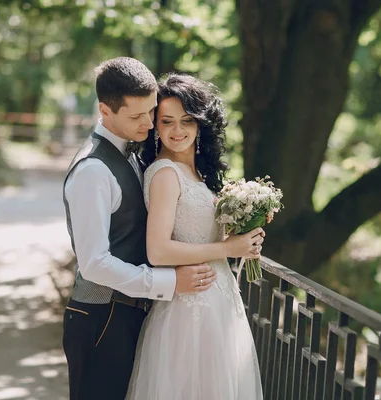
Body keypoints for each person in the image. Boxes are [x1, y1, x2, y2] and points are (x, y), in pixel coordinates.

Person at [62, 57, 219, 400]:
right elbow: (94, 263)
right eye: (136, 116)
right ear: (105, 110)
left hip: (133, 315)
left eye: (151, 112)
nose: (149, 124)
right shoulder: (93, 170)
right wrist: (170, 282)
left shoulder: (131, 154)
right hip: (101, 319)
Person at [126, 73, 265, 400]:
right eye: (167, 121)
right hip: (190, 308)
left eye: (187, 121)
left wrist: (244, 232)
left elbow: (196, 229)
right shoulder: (164, 174)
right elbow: (157, 251)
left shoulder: (198, 173)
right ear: (156, 126)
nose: (177, 131)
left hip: (218, 301)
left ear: (201, 123)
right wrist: (228, 247)